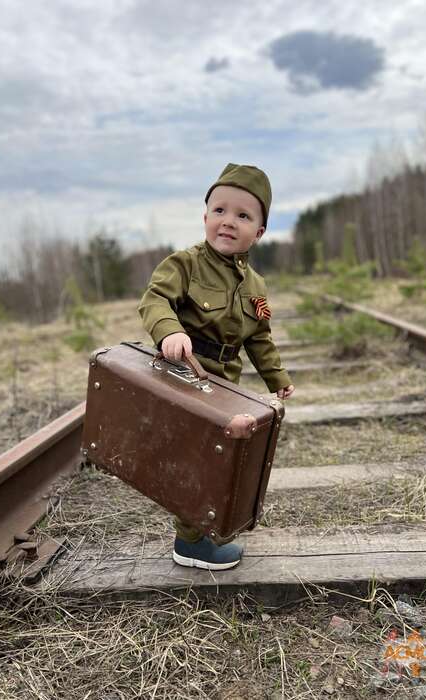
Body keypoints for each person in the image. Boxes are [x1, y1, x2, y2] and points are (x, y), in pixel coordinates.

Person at [138, 163, 294, 570]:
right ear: (205, 217)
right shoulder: (185, 264)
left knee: (229, 456)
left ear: (258, 232)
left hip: (226, 381)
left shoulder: (255, 285)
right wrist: (169, 331)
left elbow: (259, 337)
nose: (229, 222)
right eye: (220, 211)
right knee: (199, 456)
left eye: (243, 216)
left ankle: (211, 529)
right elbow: (153, 300)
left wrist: (277, 378)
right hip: (185, 372)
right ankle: (191, 543)